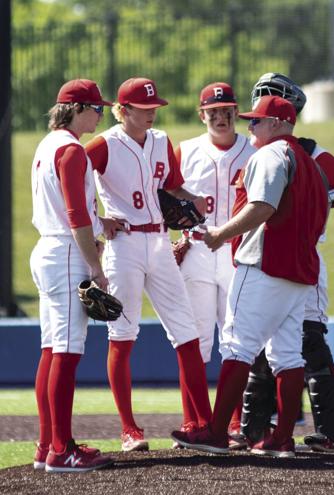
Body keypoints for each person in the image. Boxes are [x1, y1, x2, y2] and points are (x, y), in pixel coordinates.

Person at [171, 94, 329, 457]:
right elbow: (323, 214)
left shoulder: (272, 155)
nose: (249, 126)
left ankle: (214, 432)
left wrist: (219, 235)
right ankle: (282, 438)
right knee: (287, 355)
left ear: (278, 123)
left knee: (236, 345)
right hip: (300, 271)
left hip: (266, 264)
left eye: (256, 121)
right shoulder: (309, 161)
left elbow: (262, 206)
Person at [236, 73, 334, 453]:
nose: (262, 104)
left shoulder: (309, 149)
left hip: (301, 254)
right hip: (261, 253)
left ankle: (328, 431)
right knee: (258, 345)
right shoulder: (254, 146)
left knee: (308, 341)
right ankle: (252, 429)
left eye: (271, 97)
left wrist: (310, 202)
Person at [85, 77, 212, 452]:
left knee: (187, 332)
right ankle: (129, 429)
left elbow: (172, 186)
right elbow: (70, 181)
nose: (152, 112)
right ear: (122, 110)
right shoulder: (103, 145)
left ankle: (200, 423)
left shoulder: (160, 140)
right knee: (122, 337)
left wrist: (194, 200)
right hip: (123, 245)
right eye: (144, 108)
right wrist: (97, 221)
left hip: (159, 241)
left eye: (155, 106)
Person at [31, 79, 121, 472]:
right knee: (66, 353)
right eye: (96, 108)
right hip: (67, 253)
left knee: (52, 350)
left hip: (49, 249)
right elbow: (75, 216)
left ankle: (46, 444)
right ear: (79, 108)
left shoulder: (47, 144)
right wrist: (97, 266)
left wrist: (101, 223)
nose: (100, 114)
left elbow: (70, 211)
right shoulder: (71, 150)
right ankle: (62, 450)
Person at [174, 82, 256, 438]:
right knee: (195, 339)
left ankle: (233, 421)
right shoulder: (186, 150)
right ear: (201, 114)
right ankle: (193, 420)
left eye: (227, 111)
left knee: (234, 337)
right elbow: (163, 196)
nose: (220, 117)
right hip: (196, 249)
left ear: (237, 113)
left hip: (239, 250)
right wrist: (174, 233)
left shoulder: (255, 149)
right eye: (213, 112)